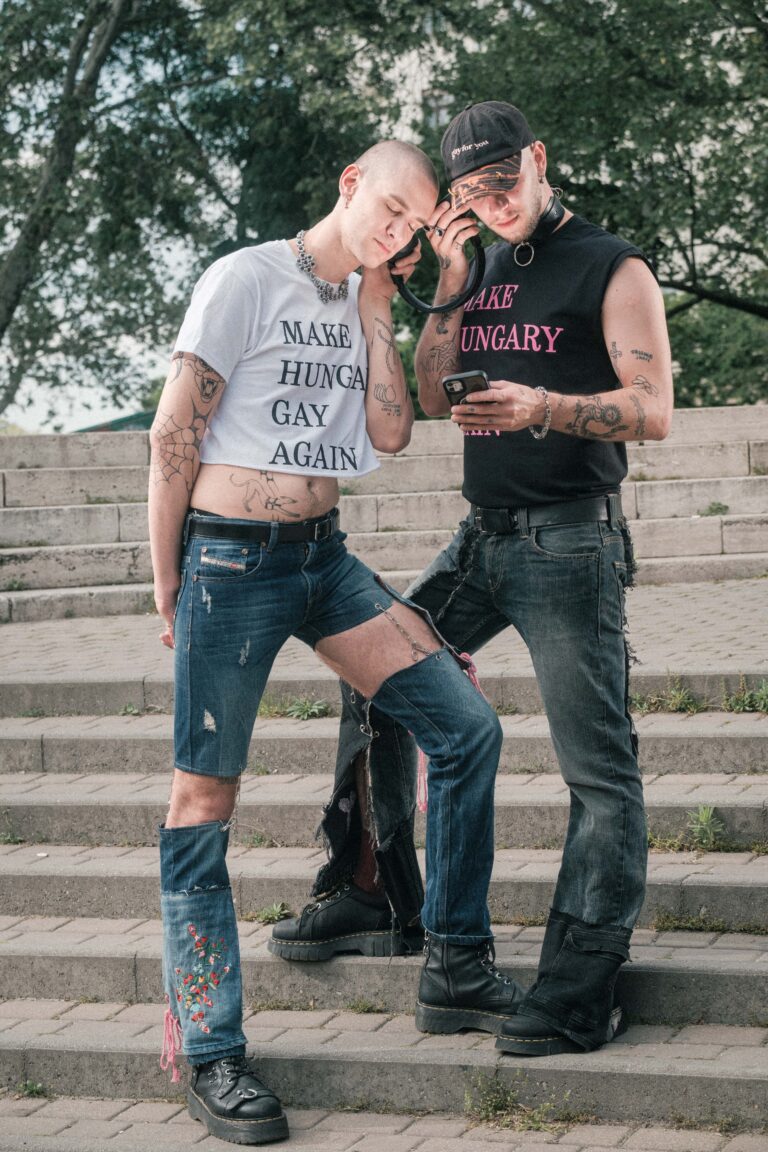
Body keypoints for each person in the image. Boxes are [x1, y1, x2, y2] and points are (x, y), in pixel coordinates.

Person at [272, 101, 673, 1058]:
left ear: (538, 159)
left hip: (570, 544)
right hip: (480, 540)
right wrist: (453, 283)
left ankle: (581, 980)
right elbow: (427, 391)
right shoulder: (476, 262)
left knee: (597, 770)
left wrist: (545, 406)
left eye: (503, 184)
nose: (492, 206)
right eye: (471, 195)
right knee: (374, 673)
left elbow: (654, 408)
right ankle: (376, 889)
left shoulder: (611, 266)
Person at [148, 138, 514, 1147]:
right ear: (351, 183)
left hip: (325, 560)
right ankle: (212, 1051)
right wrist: (167, 572)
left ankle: (457, 961)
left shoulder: (364, 299)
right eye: (388, 209)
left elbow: (390, 433)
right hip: (229, 563)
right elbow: (174, 431)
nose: (396, 232)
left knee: (465, 728)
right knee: (202, 800)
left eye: (412, 225)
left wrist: (380, 309)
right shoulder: (244, 279)